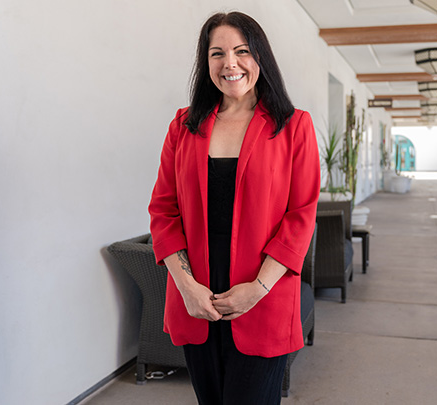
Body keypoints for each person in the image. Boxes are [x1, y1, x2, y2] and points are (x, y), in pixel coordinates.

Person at [148, 11, 320, 405]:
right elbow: (163, 211)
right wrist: (187, 287)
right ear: (205, 62)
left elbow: (301, 217)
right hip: (198, 304)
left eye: (242, 51)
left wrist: (257, 290)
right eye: (217, 53)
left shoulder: (293, 127)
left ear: (261, 57)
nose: (230, 63)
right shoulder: (183, 127)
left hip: (263, 301)